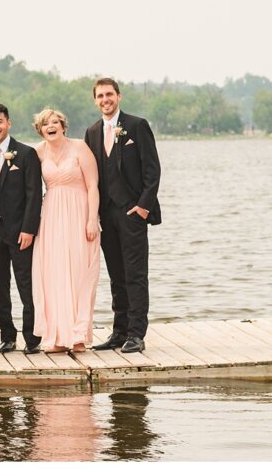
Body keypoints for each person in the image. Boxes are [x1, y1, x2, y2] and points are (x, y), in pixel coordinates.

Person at [84, 78, 161, 354]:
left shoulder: (137, 126)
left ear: (119, 96)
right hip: (106, 215)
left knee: (135, 275)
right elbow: (90, 177)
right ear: (95, 100)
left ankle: (137, 334)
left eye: (109, 94)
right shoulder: (91, 133)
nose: (105, 99)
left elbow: (152, 171)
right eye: (100, 96)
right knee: (116, 275)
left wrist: (142, 208)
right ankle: (119, 331)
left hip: (132, 213)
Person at [31, 108, 100, 353]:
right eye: (45, 124)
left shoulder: (80, 147)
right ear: (40, 129)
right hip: (51, 216)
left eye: (55, 122)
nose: (51, 126)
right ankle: (57, 336)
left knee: (79, 273)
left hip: (79, 213)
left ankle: (78, 335)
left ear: (63, 126)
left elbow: (92, 186)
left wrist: (92, 219)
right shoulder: (38, 152)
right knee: (54, 274)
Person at [0, 102, 43, 355]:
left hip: (20, 232)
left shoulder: (26, 154)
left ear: (8, 123)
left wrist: (29, 229)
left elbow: (34, 194)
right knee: (0, 285)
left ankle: (33, 337)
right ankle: (7, 336)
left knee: (26, 284)